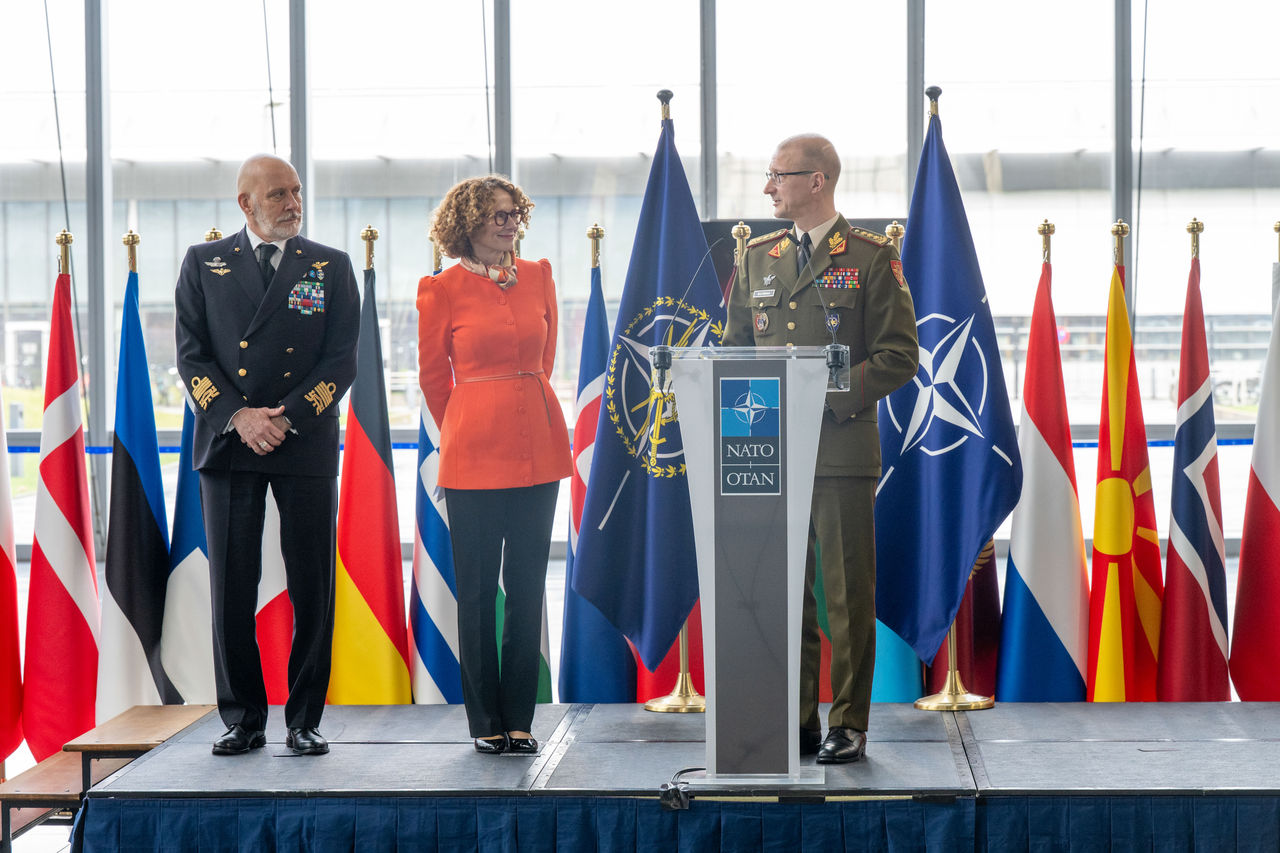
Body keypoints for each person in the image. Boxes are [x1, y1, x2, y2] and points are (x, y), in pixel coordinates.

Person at [724, 134, 919, 763]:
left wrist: (827, 396)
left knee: (845, 593)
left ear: (818, 180)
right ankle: (798, 718)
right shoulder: (757, 257)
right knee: (783, 594)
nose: (768, 187)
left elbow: (899, 357)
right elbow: (733, 352)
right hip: (766, 451)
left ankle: (849, 721)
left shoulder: (868, 256)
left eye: (778, 175)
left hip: (839, 447)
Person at [175, 153, 359, 756]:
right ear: (245, 204)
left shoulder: (330, 265)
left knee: (313, 585)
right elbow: (192, 356)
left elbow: (341, 361)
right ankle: (244, 718)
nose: (292, 203)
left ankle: (304, 718)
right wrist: (239, 416)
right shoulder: (205, 263)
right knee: (232, 586)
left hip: (301, 439)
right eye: (278, 194)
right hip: (231, 442)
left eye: (297, 192)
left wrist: (287, 417)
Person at [417, 176, 571, 755]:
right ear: (467, 226)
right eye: (496, 216)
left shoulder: (539, 276)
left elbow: (547, 355)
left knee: (528, 586)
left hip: (540, 442)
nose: (509, 224)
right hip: (473, 449)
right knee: (479, 592)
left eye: (514, 214)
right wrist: (471, 418)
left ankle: (521, 717)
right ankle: (484, 719)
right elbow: (435, 380)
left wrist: (520, 397)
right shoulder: (440, 288)